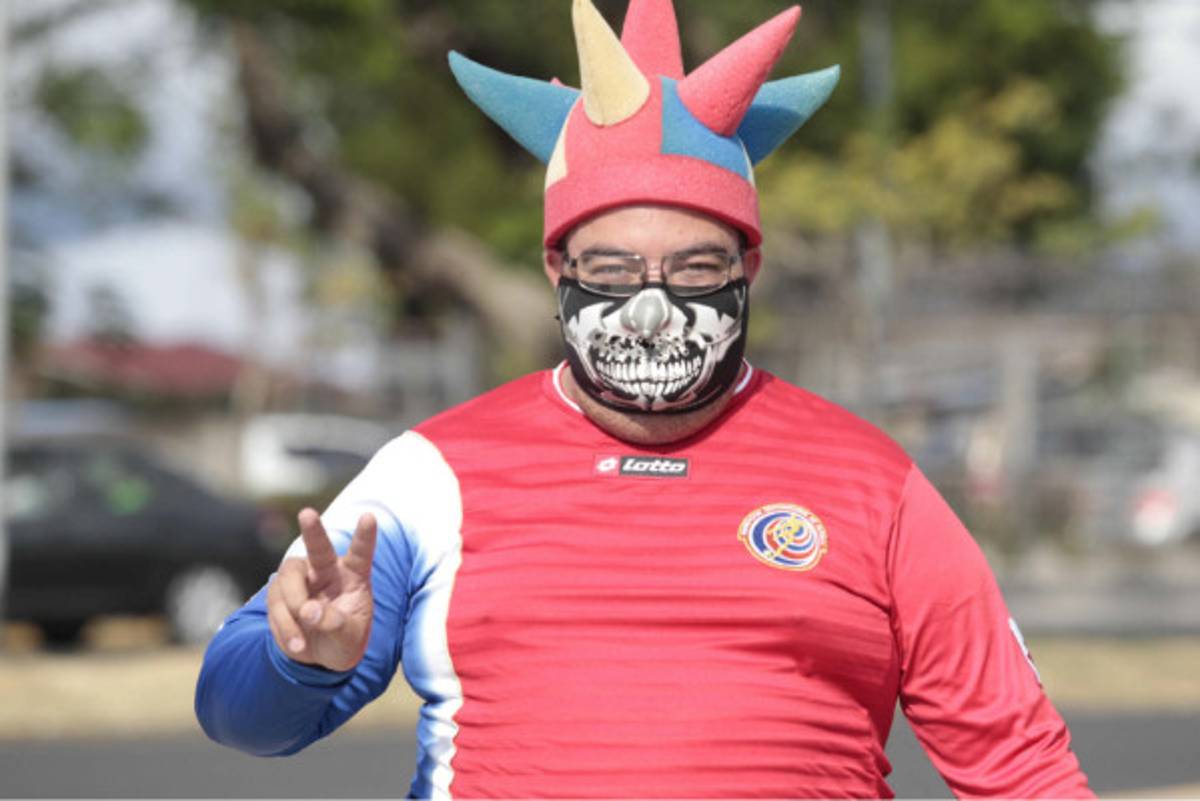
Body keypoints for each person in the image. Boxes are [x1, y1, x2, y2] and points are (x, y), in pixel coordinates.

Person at [195, 1, 1094, 797]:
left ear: (748, 267)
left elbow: (1021, 766)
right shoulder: (431, 475)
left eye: (696, 268)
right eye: (613, 269)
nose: (653, 309)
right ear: (557, 267)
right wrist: (300, 661)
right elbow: (238, 717)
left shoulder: (874, 483)